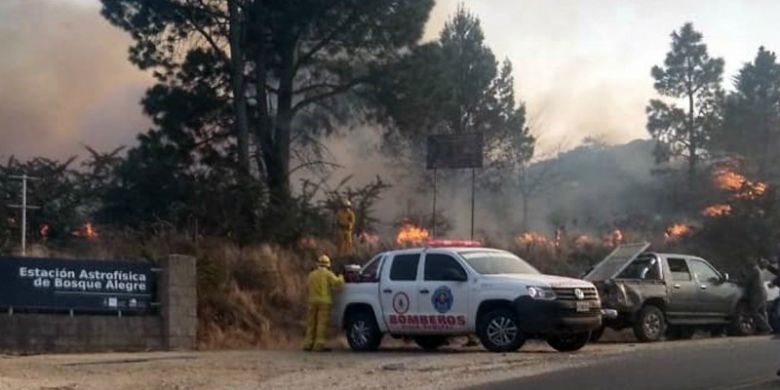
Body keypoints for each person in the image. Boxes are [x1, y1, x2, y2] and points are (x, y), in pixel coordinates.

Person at [303, 254, 345, 352]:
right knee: (321, 324)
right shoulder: (328, 274)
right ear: (328, 264)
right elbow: (337, 283)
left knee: (311, 323)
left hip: (312, 301)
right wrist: (342, 276)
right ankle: (319, 345)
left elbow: (307, 287)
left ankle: (308, 344)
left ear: (318, 263)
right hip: (324, 302)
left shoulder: (311, 274)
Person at [747, 257, 772, 335]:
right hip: (762, 292)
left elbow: (748, 281)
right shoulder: (759, 270)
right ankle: (765, 329)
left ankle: (766, 327)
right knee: (762, 311)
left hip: (757, 293)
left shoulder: (755, 270)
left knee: (754, 311)